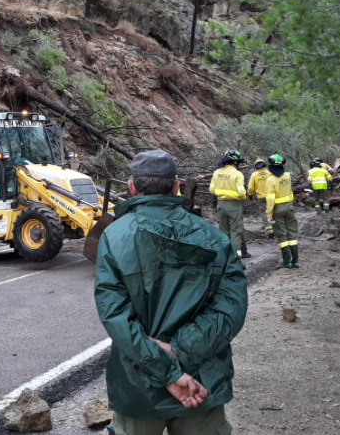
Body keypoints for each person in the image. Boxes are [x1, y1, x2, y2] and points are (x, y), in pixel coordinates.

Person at [95, 149, 248, 435]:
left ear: (131, 188)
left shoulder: (114, 236)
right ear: (177, 187)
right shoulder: (215, 238)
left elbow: (115, 315)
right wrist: (181, 351)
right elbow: (231, 308)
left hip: (137, 385)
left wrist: (167, 365)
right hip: (202, 383)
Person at [209, 150, 247, 261]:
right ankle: (236, 261)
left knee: (224, 233)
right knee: (235, 233)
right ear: (235, 162)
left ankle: (226, 260)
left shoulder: (217, 172)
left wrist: (222, 195)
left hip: (221, 205)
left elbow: (211, 190)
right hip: (234, 206)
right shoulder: (237, 174)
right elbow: (241, 193)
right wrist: (237, 196)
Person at [265, 154, 298, 269]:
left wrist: (269, 214)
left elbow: (270, 199)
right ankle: (295, 262)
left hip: (277, 209)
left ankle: (286, 262)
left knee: (282, 235)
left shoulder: (270, 180)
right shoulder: (287, 176)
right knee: (292, 234)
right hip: (289, 207)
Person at [247, 159, 273, 238]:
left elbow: (250, 188)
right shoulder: (270, 173)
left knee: (264, 213)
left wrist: (250, 194)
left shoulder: (254, 175)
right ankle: (276, 228)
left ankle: (269, 229)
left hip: (261, 197)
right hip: (271, 196)